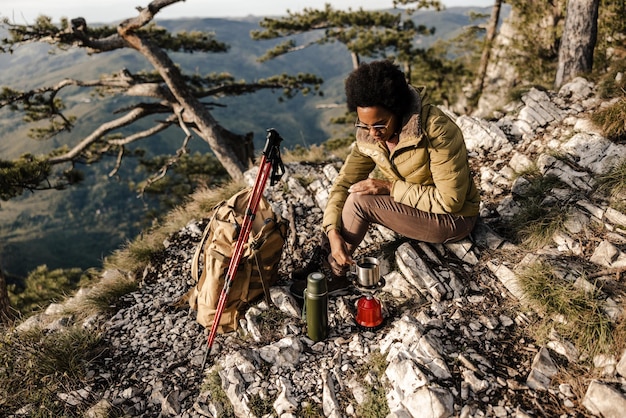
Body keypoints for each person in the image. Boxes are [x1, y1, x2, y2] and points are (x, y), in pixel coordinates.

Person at [290, 59, 480, 299]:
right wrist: (331, 231)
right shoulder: (370, 134)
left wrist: (389, 187)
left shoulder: (436, 130)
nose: (372, 133)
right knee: (352, 193)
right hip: (416, 207)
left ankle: (334, 275)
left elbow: (450, 200)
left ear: (398, 110)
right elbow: (343, 183)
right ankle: (329, 253)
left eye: (380, 124)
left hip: (455, 218)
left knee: (361, 201)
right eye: (364, 124)